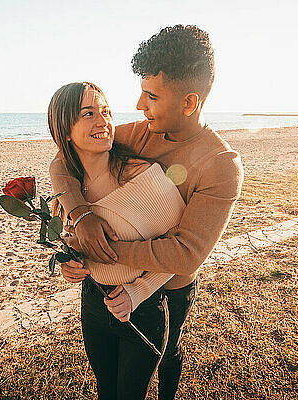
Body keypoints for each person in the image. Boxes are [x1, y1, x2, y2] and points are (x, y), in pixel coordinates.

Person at [50, 25, 244, 399]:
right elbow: (66, 153)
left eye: (151, 96)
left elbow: (186, 253)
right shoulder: (141, 132)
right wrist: (81, 215)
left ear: (188, 104)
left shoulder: (220, 165)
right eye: (142, 92)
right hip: (111, 287)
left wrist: (99, 249)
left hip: (169, 288)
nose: (139, 105)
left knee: (169, 353)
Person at [47, 81, 186, 400]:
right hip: (93, 304)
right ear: (65, 131)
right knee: (105, 390)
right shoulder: (70, 182)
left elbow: (179, 249)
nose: (102, 121)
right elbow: (72, 239)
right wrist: (71, 265)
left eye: (105, 111)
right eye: (87, 114)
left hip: (143, 310)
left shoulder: (142, 176)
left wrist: (137, 292)